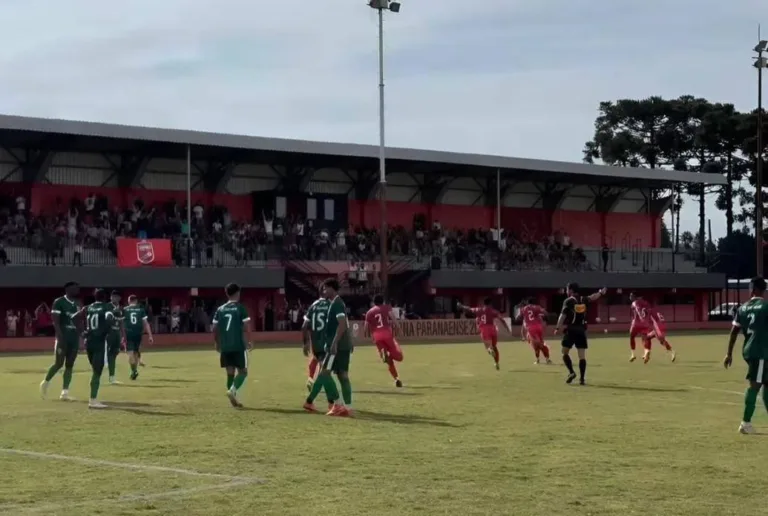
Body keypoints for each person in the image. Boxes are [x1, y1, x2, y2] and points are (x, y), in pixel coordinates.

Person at [725, 276, 768, 434]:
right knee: (755, 385)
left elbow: (733, 332)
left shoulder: (742, 308)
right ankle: (745, 423)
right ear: (762, 290)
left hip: (750, 351)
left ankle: (746, 423)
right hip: (761, 351)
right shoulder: (766, 306)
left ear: (752, 290)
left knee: (766, 383)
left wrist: (729, 354)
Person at [304, 278, 352, 417]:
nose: (323, 291)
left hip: (335, 345)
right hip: (343, 345)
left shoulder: (336, 304)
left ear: (332, 288)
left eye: (325, 288)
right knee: (343, 375)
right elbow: (345, 324)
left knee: (324, 373)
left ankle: (338, 404)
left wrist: (335, 342)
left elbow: (342, 324)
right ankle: (347, 408)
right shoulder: (337, 303)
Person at [554, 283, 606, 385]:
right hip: (581, 330)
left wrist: (557, 327)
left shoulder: (568, 301)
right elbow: (593, 297)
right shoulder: (583, 299)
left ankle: (571, 372)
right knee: (582, 356)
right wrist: (600, 292)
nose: (566, 291)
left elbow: (562, 316)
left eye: (567, 289)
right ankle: (582, 379)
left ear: (571, 290)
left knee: (564, 352)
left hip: (571, 330)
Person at [40, 282, 82, 401]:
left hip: (74, 338)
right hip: (63, 337)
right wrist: (60, 337)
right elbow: (55, 322)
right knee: (58, 363)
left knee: (70, 364)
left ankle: (64, 393)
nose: (77, 290)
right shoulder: (59, 302)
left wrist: (82, 334)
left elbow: (79, 322)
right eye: (75, 288)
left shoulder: (78, 303)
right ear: (68, 289)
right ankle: (45, 382)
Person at [212, 283, 252, 408]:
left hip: (225, 346)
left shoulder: (220, 309)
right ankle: (232, 390)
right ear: (237, 293)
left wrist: (217, 343)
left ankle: (233, 398)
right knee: (243, 372)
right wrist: (249, 341)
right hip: (238, 346)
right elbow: (247, 326)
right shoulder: (240, 308)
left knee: (230, 373)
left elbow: (214, 328)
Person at [301, 289, 340, 410]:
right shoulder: (331, 305)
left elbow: (304, 327)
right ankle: (334, 402)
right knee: (325, 373)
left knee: (324, 372)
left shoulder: (313, 306)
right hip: (327, 344)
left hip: (316, 345)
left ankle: (329, 403)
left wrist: (306, 343)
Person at [79, 289, 115, 409]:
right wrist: (108, 330)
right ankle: (93, 400)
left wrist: (82, 331)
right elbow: (109, 317)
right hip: (99, 341)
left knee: (95, 370)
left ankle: (93, 399)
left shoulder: (88, 307)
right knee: (97, 372)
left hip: (89, 341)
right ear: (105, 298)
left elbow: (75, 317)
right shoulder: (107, 307)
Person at [458, 298, 511, 370]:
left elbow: (469, 309)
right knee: (495, 347)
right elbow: (501, 319)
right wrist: (507, 328)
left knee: (488, 347)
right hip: (492, 328)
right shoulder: (493, 311)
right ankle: (496, 363)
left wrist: (461, 306)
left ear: (484, 304)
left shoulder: (479, 310)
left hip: (484, 329)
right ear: (490, 304)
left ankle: (490, 350)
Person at [364, 295, 404, 387]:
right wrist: (399, 329)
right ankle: (387, 354)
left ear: (374, 302)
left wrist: (372, 332)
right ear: (383, 301)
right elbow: (393, 318)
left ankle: (396, 378)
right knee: (399, 357)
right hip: (387, 333)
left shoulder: (369, 312)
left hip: (377, 336)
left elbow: (366, 328)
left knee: (389, 361)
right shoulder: (386, 308)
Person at [123, 295, 154, 381]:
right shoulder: (141, 310)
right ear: (136, 301)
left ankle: (134, 371)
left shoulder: (125, 310)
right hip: (138, 334)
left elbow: (121, 323)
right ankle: (135, 371)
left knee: (130, 353)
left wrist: (122, 335)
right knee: (136, 353)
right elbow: (146, 323)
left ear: (129, 301)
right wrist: (150, 336)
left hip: (129, 333)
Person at [518, 298, 551, 365]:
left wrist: (518, 317)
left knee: (537, 345)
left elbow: (518, 317)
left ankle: (540, 359)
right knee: (539, 343)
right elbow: (544, 313)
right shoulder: (537, 308)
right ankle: (546, 359)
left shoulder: (524, 309)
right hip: (539, 327)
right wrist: (548, 318)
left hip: (531, 328)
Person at [106, 290, 126, 385]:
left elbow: (121, 323)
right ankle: (111, 376)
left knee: (115, 353)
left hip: (117, 332)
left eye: (116, 296)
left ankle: (112, 376)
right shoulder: (107, 307)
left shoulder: (121, 309)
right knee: (110, 354)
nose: (113, 298)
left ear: (119, 298)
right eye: (112, 296)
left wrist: (123, 336)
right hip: (109, 333)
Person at [629, 293, 652, 363]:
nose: (630, 297)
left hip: (636, 323)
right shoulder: (646, 303)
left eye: (631, 296)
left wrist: (640, 317)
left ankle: (633, 354)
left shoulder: (634, 303)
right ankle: (646, 352)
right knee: (645, 338)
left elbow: (637, 309)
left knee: (632, 337)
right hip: (645, 323)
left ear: (634, 297)